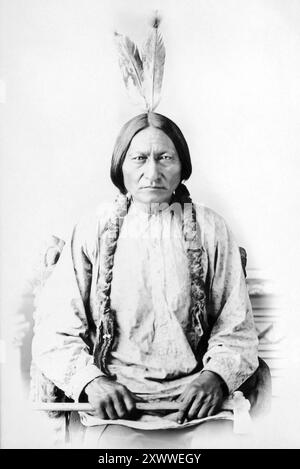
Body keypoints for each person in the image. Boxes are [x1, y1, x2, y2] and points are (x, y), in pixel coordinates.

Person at [32, 112, 262, 448]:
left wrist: (216, 377)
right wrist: (91, 381)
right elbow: (55, 330)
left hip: (200, 408)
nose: (152, 173)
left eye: (165, 158)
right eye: (139, 158)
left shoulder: (212, 229)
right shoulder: (92, 229)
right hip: (116, 409)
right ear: (120, 166)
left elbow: (236, 327)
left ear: (182, 165)